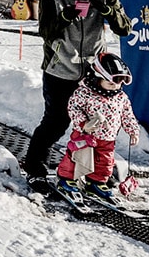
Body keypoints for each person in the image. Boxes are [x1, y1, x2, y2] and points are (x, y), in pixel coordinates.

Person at [22, 0, 132, 192]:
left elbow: (124, 28)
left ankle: (95, 170)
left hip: (94, 72)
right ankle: (34, 166)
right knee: (57, 121)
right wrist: (67, 15)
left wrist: (106, 10)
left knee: (98, 123)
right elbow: (46, 32)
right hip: (60, 67)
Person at [53, 53, 140, 202]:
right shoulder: (85, 93)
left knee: (104, 162)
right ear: (98, 78)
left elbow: (127, 115)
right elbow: (73, 108)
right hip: (85, 134)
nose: (115, 87)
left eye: (119, 83)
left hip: (108, 138)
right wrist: (82, 123)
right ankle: (66, 179)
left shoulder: (121, 97)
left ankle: (96, 183)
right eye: (111, 83)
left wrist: (133, 131)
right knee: (76, 158)